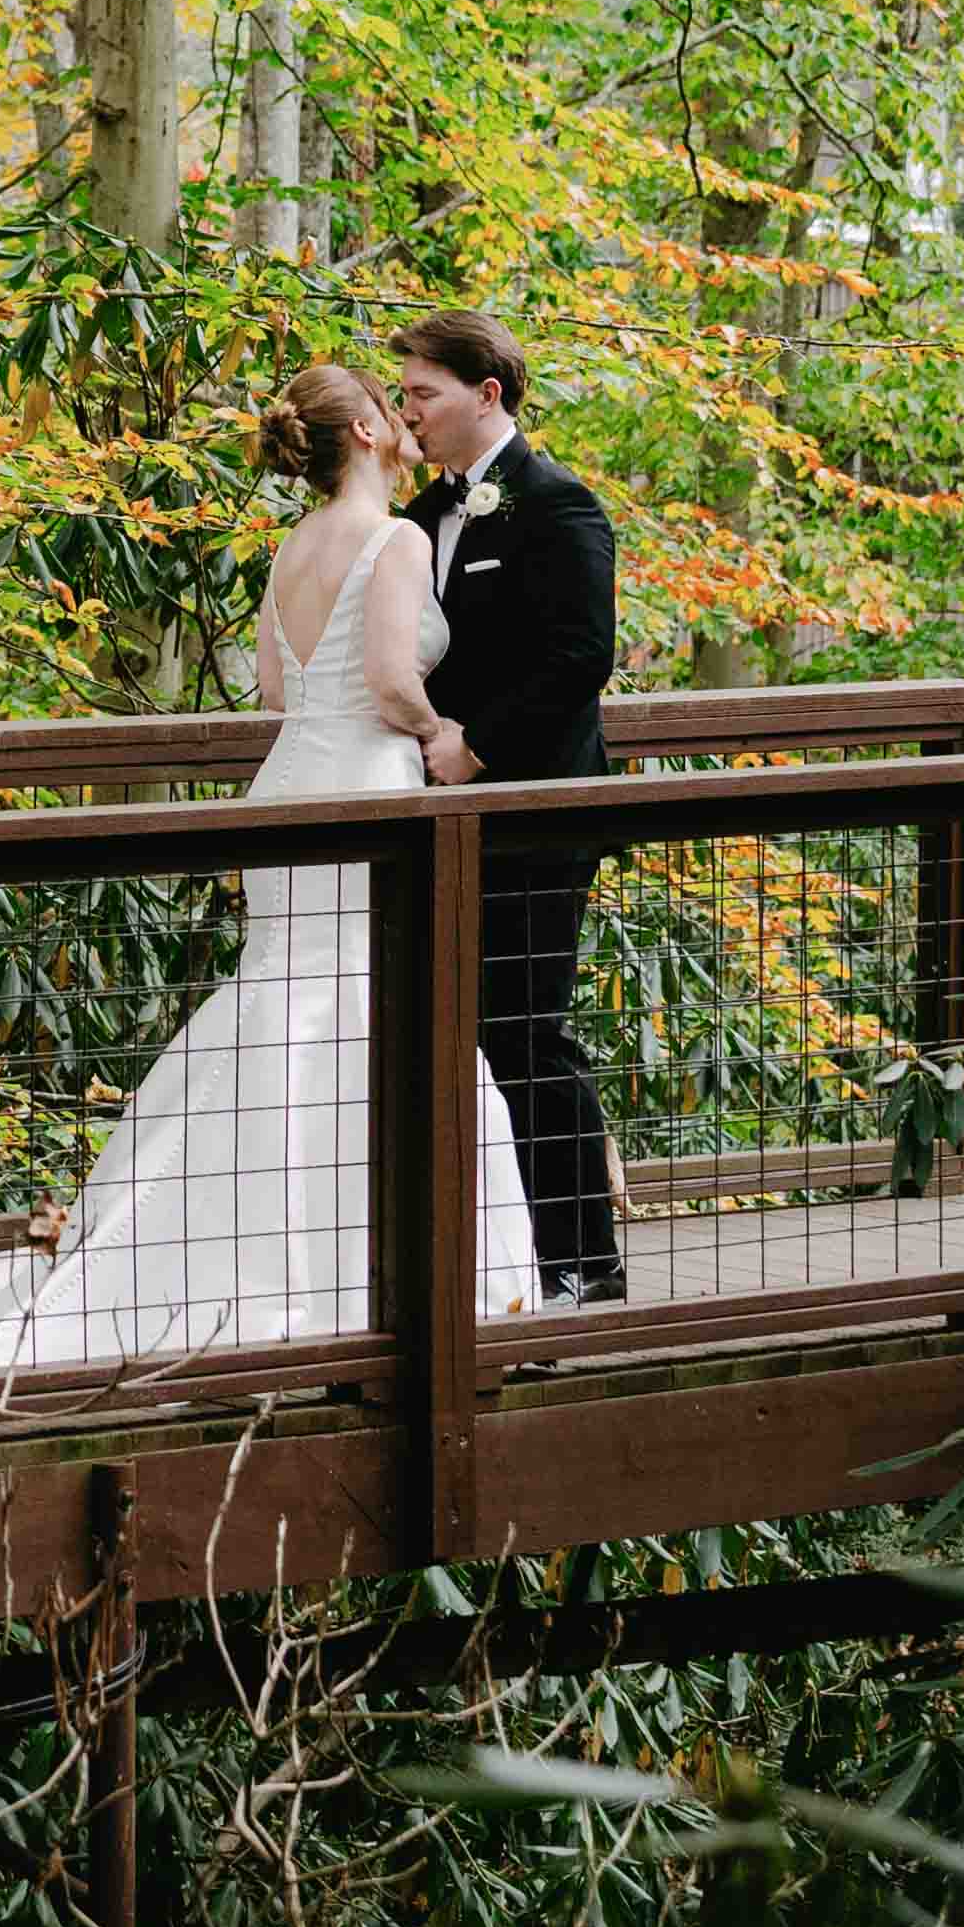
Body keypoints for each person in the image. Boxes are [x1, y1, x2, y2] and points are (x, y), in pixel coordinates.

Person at [0, 359, 544, 1384]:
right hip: (369, 781)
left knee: (289, 996)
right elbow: (392, 678)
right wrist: (443, 732)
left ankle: (236, 1255)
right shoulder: (395, 538)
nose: (404, 418)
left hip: (286, 785)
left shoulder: (291, 548)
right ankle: (359, 1273)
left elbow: (276, 687)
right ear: (362, 429)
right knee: (369, 1002)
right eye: (388, 405)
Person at [392, 308, 631, 1300]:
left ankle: (585, 1267)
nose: (408, 411)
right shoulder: (414, 519)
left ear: (485, 394)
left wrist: (474, 747)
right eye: (401, 394)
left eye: (421, 393)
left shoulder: (557, 504)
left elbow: (579, 656)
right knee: (442, 1033)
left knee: (525, 1034)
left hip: (534, 820)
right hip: (434, 820)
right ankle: (484, 1262)